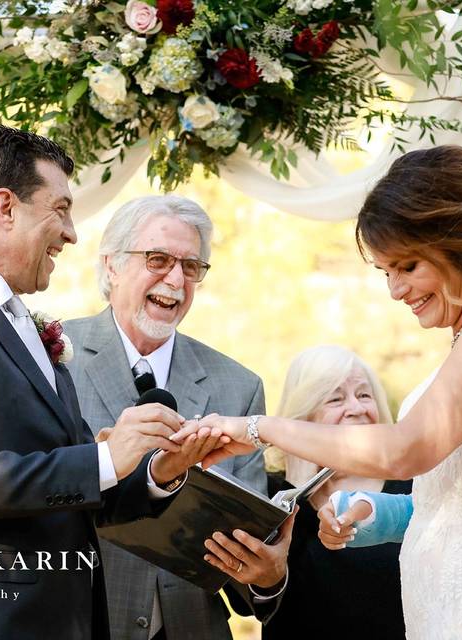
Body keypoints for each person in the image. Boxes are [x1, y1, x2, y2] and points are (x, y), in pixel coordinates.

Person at [180, 145, 462, 638]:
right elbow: (461, 496)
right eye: (386, 271)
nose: (395, 289)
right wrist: (373, 512)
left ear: (454, 243)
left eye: (408, 266)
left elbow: (406, 450)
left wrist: (259, 429)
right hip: (455, 592)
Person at [0, 126, 220, 640]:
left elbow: (74, 489)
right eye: (60, 209)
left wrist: (155, 473)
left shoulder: (28, 328)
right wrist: (104, 457)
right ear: (5, 207)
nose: (73, 233)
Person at [61, 195, 291, 640]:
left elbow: (244, 568)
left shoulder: (239, 388)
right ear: (111, 266)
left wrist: (266, 579)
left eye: (191, 266)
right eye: (158, 259)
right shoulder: (52, 357)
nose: (175, 279)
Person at [202, 345, 410, 639]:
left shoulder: (409, 487)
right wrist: (297, 486)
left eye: (364, 394)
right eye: (336, 398)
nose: (357, 408)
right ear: (303, 418)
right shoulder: (269, 490)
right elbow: (245, 602)